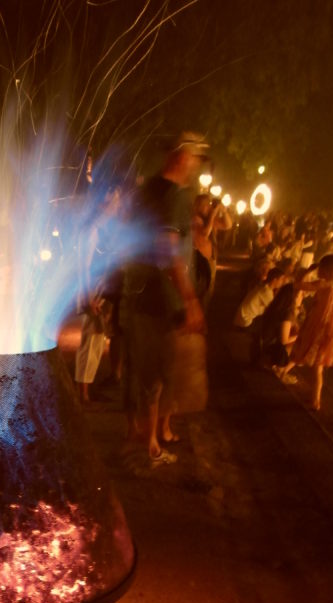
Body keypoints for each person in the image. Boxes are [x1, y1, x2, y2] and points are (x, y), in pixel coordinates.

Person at [120, 131, 209, 462]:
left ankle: (146, 437)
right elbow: (167, 251)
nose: (196, 166)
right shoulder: (172, 196)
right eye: (196, 158)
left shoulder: (147, 191)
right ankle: (149, 445)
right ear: (183, 156)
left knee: (146, 372)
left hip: (140, 296)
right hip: (160, 301)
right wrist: (190, 299)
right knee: (156, 375)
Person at [288, 253, 333, 411]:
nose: (318, 270)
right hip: (327, 329)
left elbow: (298, 285)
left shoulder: (324, 284)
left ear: (326, 270)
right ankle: (315, 399)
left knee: (316, 367)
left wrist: (307, 271)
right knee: (318, 368)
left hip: (318, 328)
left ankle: (315, 400)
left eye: (320, 268)